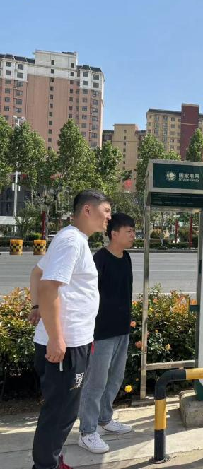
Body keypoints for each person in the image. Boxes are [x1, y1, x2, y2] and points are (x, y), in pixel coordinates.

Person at [27, 190, 111, 469]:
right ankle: (45, 466)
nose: (108, 217)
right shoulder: (72, 241)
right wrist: (56, 339)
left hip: (73, 341)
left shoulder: (71, 238)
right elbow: (49, 285)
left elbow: (37, 274)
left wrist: (36, 306)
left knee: (64, 410)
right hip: (66, 345)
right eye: (106, 211)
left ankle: (53, 460)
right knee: (59, 414)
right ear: (87, 210)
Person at [78, 213, 136, 453]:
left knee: (115, 378)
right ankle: (87, 431)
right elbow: (88, 295)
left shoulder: (127, 258)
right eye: (129, 231)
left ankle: (104, 419)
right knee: (96, 381)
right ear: (114, 233)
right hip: (101, 332)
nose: (133, 235)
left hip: (122, 329)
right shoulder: (99, 259)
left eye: (133, 231)